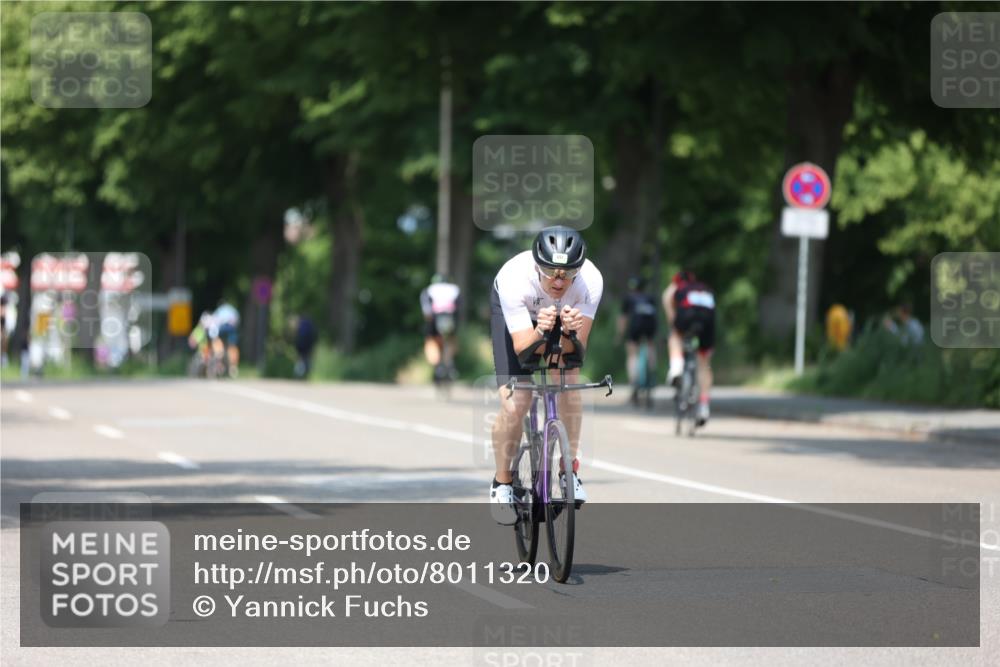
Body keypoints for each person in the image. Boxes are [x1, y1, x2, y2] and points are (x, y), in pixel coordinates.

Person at [489, 225, 603, 524]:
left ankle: (569, 473)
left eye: (567, 273)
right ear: (537, 265)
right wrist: (540, 330)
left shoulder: (590, 283)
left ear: (578, 271)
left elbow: (575, 353)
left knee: (569, 381)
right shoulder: (516, 279)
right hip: (520, 321)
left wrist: (570, 332)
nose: (558, 280)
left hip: (561, 320)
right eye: (550, 271)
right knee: (517, 401)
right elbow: (525, 351)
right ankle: (502, 484)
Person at [663, 270, 716, 426]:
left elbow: (667, 299)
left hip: (687, 314)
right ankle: (704, 406)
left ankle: (676, 370)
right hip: (708, 319)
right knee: (704, 364)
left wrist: (673, 324)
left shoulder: (677, 287)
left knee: (674, 337)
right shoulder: (705, 288)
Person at [617, 275, 659, 403]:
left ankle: (634, 382)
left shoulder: (629, 298)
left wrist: (619, 335)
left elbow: (623, 319)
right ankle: (651, 373)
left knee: (632, 354)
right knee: (651, 346)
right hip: (650, 326)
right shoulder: (650, 298)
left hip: (635, 326)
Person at [420, 274, 461, 381]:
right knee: (451, 340)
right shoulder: (455, 289)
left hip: (435, 318)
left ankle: (438, 366)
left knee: (431, 341)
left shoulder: (429, 290)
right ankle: (451, 364)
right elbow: (459, 307)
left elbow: (426, 311)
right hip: (450, 318)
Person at [212, 300, 240, 377]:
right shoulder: (232, 310)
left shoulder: (219, 310)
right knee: (232, 346)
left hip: (221, 327)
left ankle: (219, 357)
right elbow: (237, 320)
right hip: (231, 327)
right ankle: (233, 367)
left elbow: (214, 321)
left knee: (217, 340)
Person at [293, 314, 318, 378]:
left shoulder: (301, 325)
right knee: (307, 359)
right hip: (308, 346)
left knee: (300, 359)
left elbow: (297, 336)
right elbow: (314, 337)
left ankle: (298, 374)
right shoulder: (310, 325)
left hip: (300, 346)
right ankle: (307, 374)